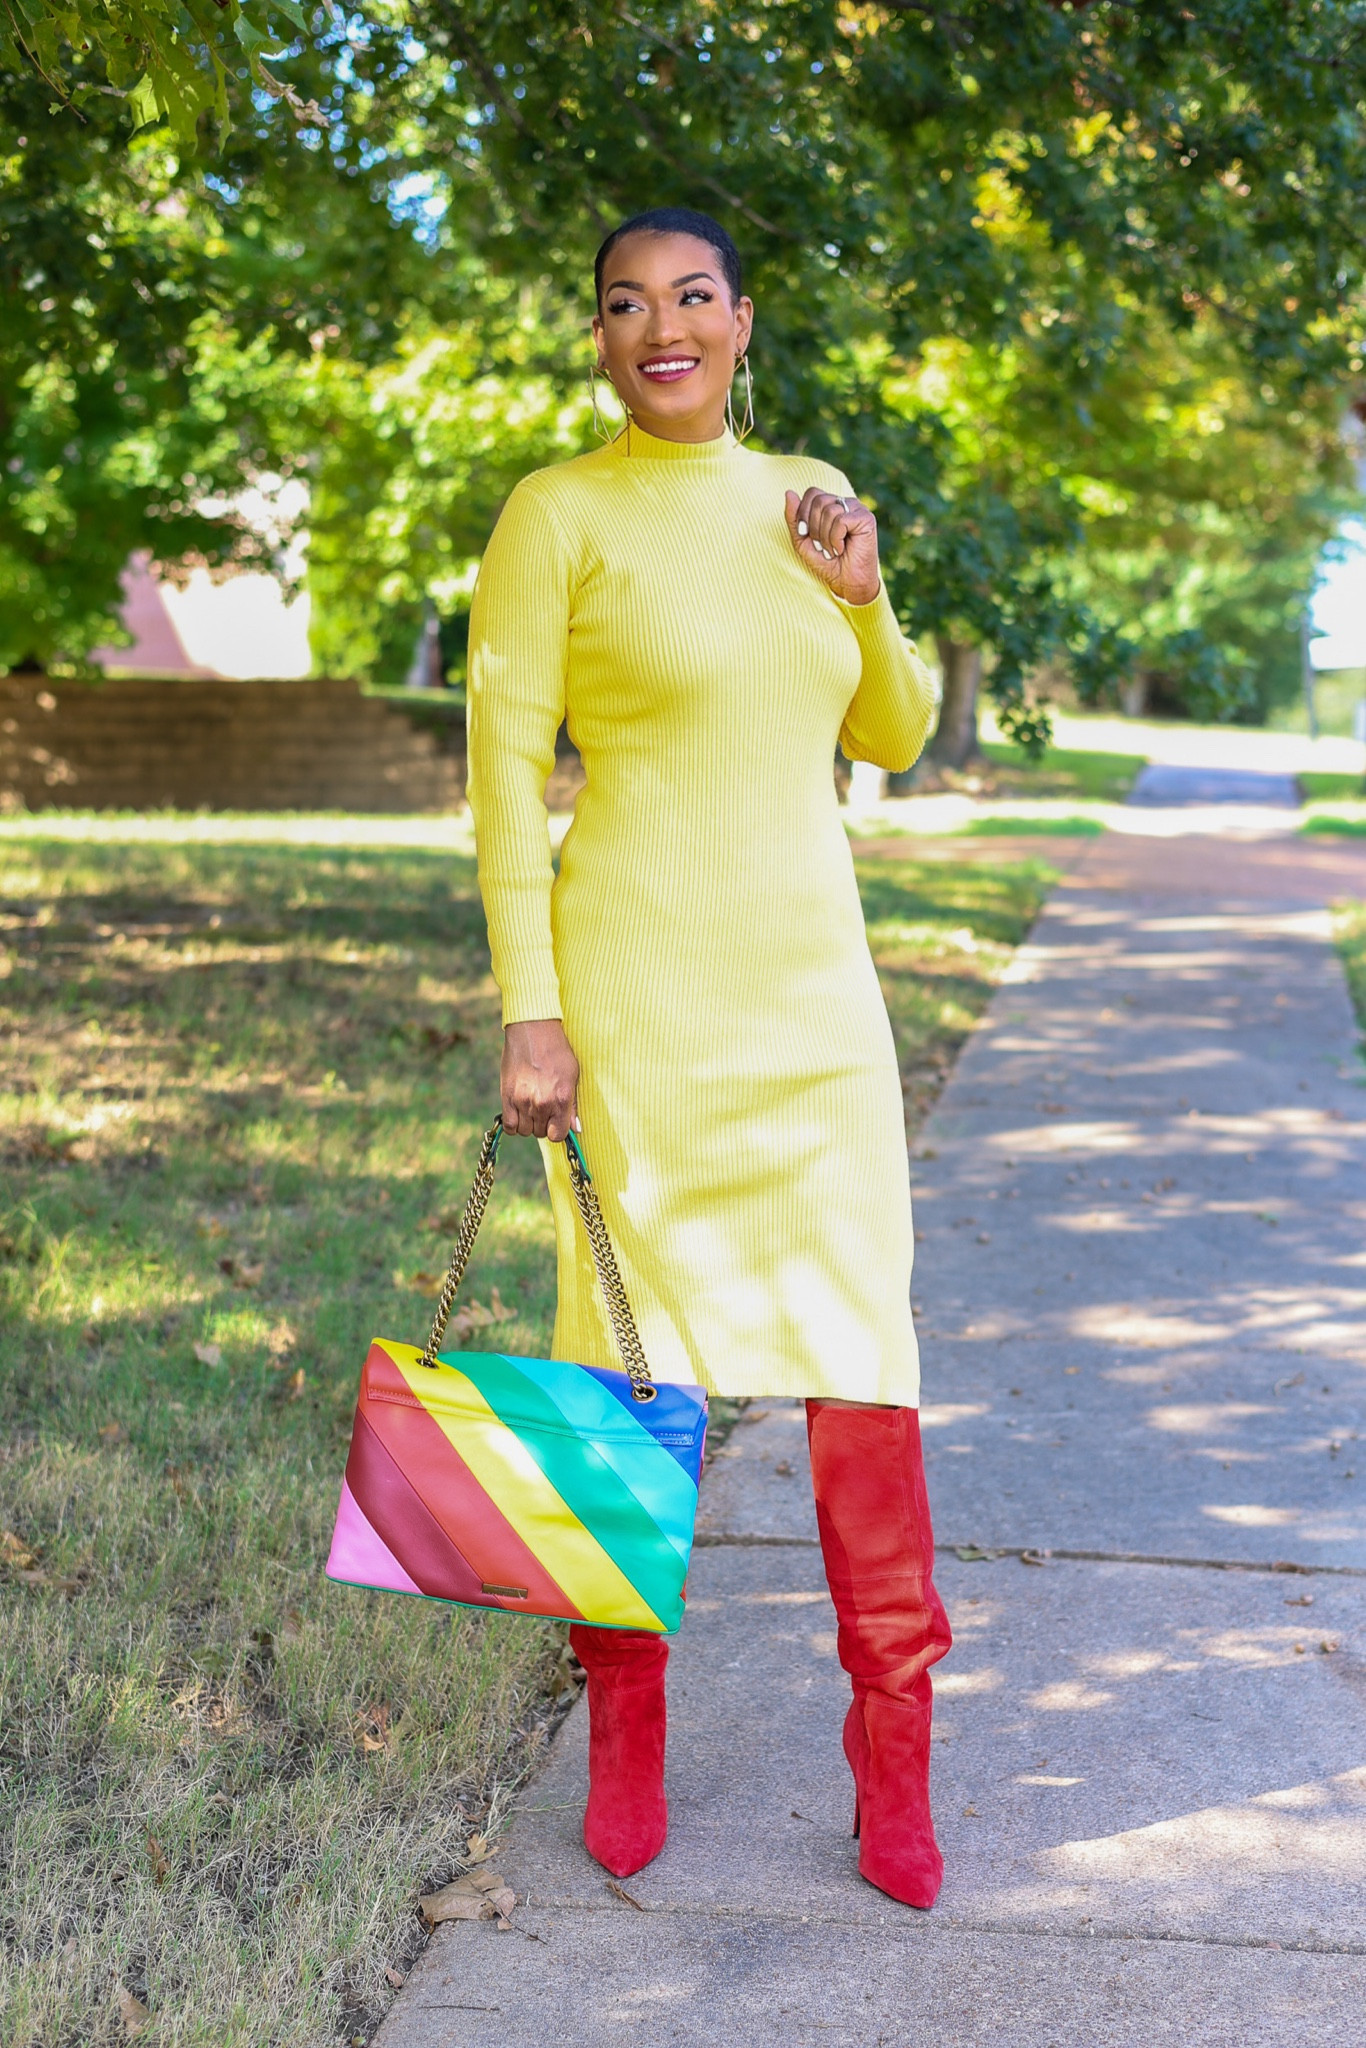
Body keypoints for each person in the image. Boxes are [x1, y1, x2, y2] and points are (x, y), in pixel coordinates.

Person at [465, 206, 952, 1910]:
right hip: (635, 1016)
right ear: (597, 338)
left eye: (690, 298)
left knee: (860, 1366)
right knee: (618, 1376)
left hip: (814, 1016)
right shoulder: (558, 513)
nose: (658, 325)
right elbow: (505, 781)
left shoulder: (806, 495)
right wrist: (532, 1007)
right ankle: (624, 1738)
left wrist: (866, 596)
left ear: (743, 321)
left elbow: (885, 728)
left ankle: (894, 1759)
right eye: (622, 303)